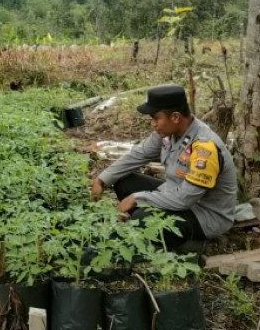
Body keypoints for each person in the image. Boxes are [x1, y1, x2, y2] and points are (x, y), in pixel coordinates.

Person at [91, 84, 237, 250]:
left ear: (175, 117)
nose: (153, 124)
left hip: (205, 214)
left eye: (156, 118)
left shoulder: (205, 148)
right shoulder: (168, 134)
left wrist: (137, 198)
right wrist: (103, 179)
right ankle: (153, 231)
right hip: (174, 194)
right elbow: (139, 154)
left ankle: (189, 245)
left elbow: (184, 199)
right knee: (123, 180)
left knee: (143, 216)